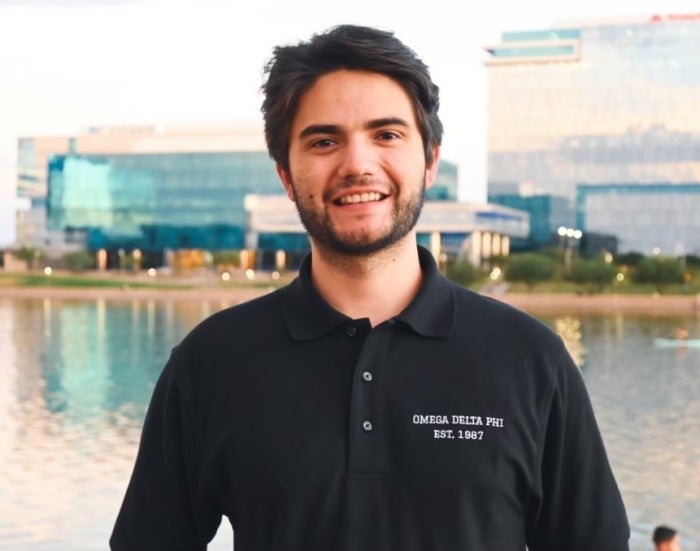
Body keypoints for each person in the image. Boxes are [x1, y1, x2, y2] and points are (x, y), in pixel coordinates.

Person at [110, 24, 630, 550]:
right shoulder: (210, 362)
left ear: (429, 161)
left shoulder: (531, 358)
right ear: (287, 176)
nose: (357, 165)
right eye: (324, 141)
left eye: (386, 135)